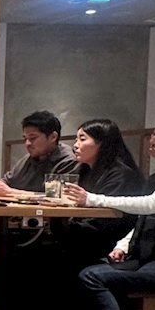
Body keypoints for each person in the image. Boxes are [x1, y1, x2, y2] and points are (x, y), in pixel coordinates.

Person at [71, 122, 155, 310]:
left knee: (90, 275)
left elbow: (151, 205)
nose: (153, 138)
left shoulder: (125, 174)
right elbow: (144, 220)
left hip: (154, 263)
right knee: (88, 270)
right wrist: (123, 243)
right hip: (145, 259)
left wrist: (93, 199)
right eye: (154, 132)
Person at [56, 118, 145, 275]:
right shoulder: (86, 170)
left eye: (82, 139)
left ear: (102, 143)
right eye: (76, 139)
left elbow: (106, 221)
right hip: (87, 237)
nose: (75, 145)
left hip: (110, 244)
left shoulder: (121, 174)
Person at [0, 110, 78, 196]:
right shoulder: (27, 159)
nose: (27, 143)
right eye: (25, 139)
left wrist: (11, 192)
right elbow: (6, 181)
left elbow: (58, 197)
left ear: (53, 137)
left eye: (33, 138)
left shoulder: (68, 161)